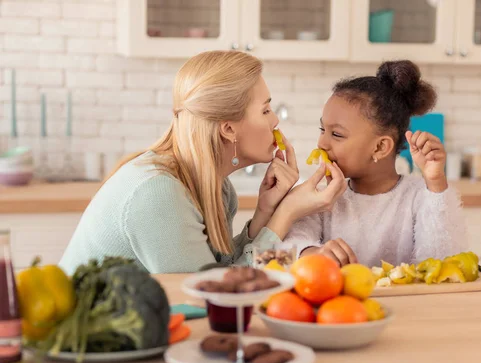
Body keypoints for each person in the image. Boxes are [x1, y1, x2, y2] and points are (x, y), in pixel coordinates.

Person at [59, 51, 347, 274]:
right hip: (84, 340)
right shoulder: (158, 193)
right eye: (266, 110)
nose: (274, 121)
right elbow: (210, 296)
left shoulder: (218, 188)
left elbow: (220, 270)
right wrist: (287, 214)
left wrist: (265, 211)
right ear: (228, 129)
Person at [283, 60, 468, 267]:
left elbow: (441, 261)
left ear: (380, 147)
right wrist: (311, 252)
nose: (321, 143)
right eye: (322, 130)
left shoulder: (417, 196)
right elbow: (287, 246)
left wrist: (435, 184)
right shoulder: (322, 198)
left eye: (336, 134)